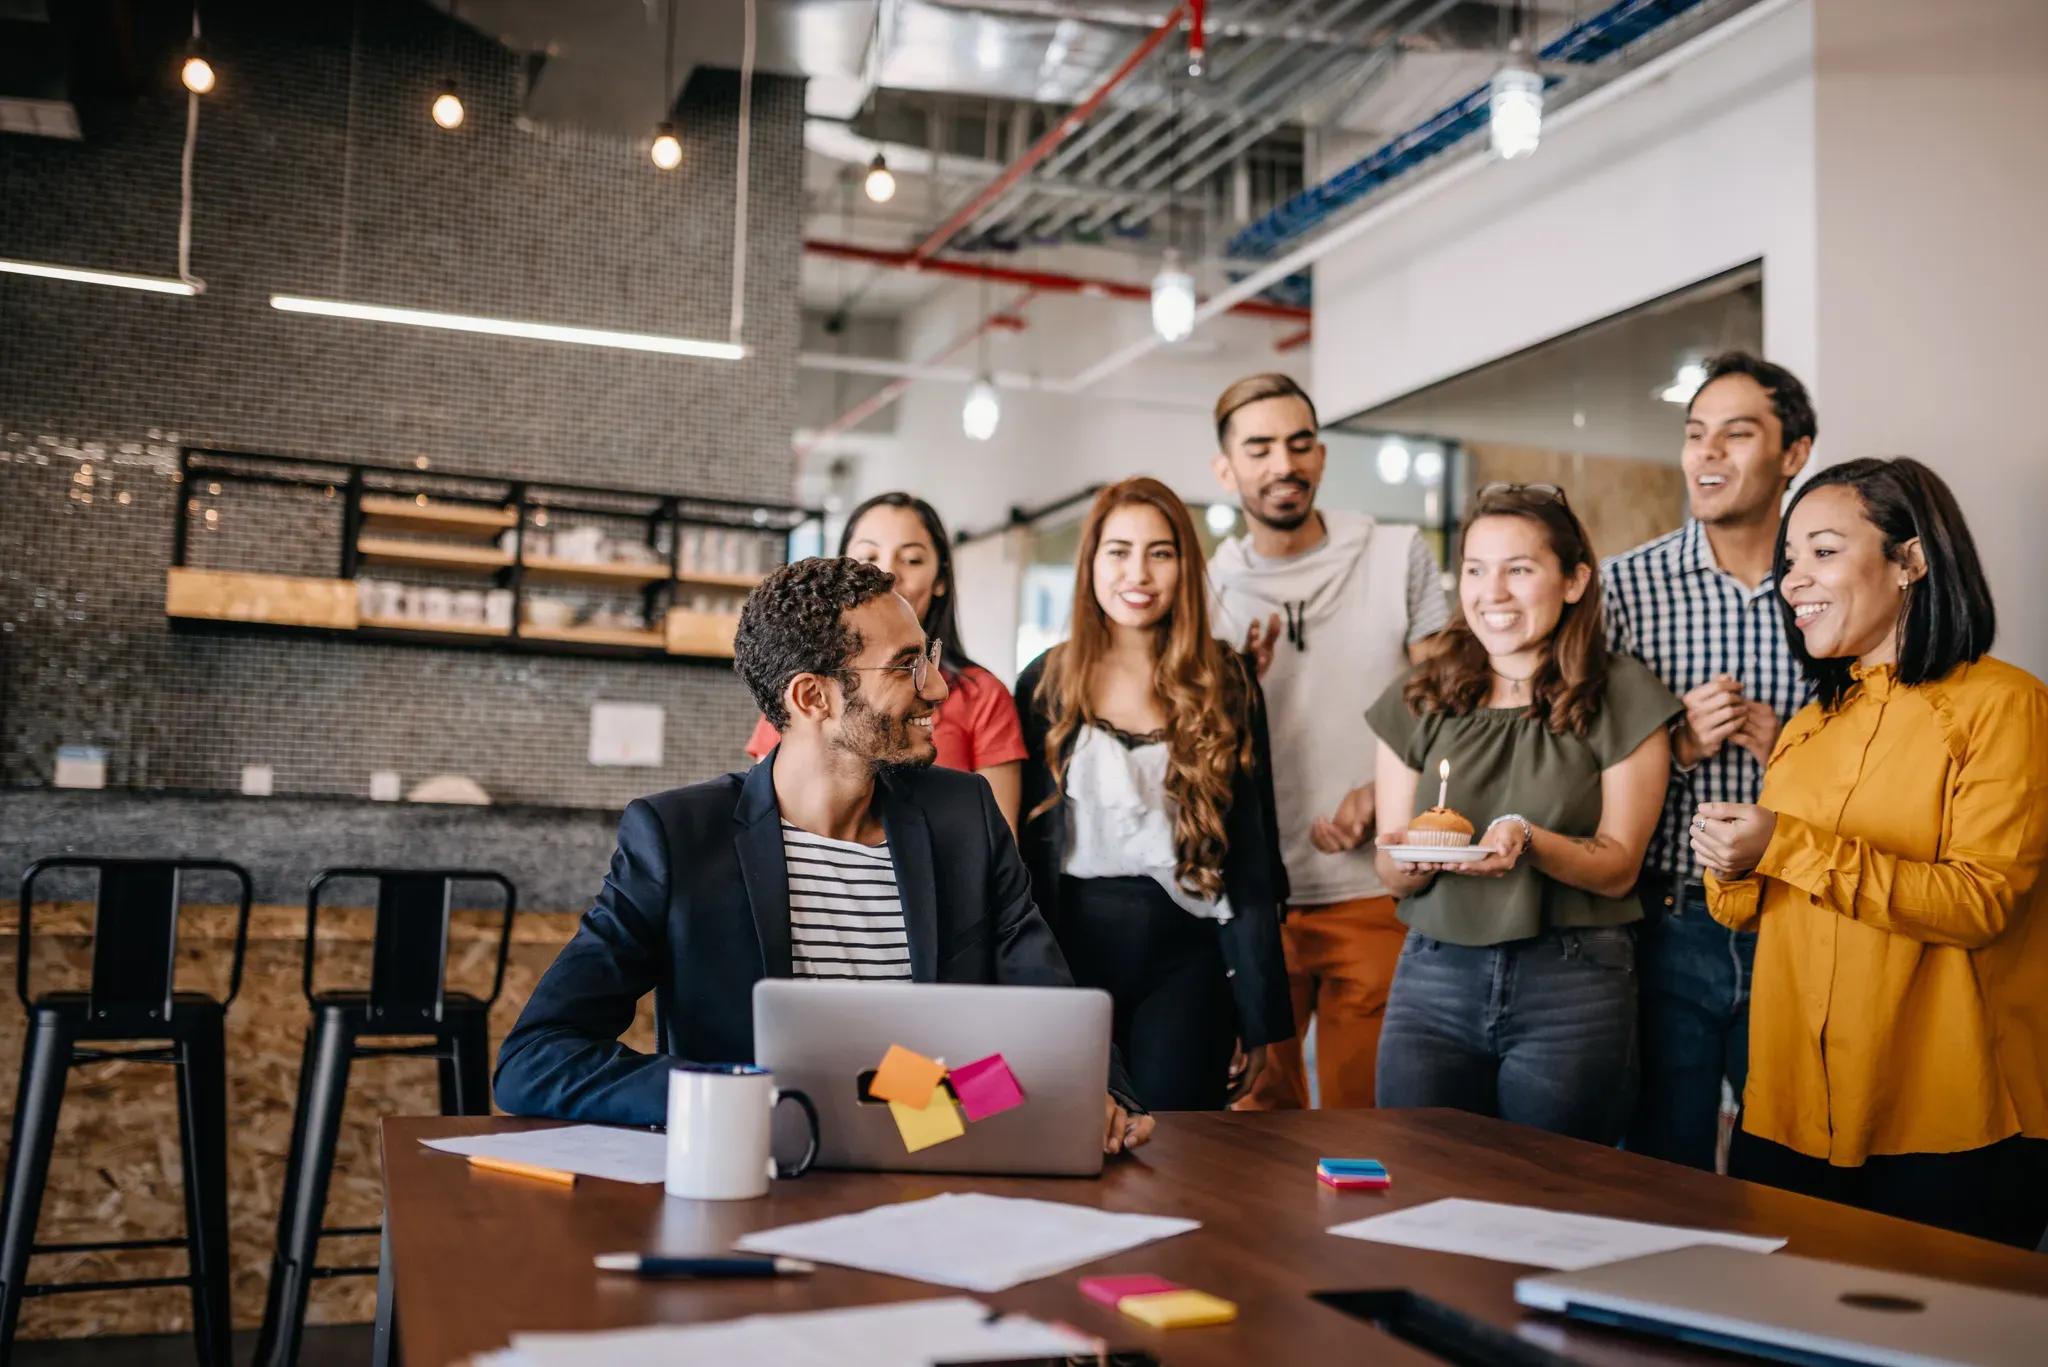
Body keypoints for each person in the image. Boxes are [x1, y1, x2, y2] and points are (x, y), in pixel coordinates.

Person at [496, 556, 1153, 1155]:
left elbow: (1056, 1017)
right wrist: (741, 1093)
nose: (936, 690)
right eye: (905, 666)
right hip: (761, 1170)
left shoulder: (964, 816)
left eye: (929, 657)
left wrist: (1102, 1094)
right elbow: (535, 1059)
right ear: (812, 697)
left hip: (943, 1152)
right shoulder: (679, 837)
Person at [1690, 458, 2048, 1248]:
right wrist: (1731, 860)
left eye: (1821, 551)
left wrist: (1786, 842)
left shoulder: (2006, 704)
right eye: (1789, 562)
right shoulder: (1810, 725)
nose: (1792, 581)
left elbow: (1981, 902)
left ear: (1911, 559)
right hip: (1782, 1116)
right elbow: (1748, 909)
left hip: (1949, 1124)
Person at [1368, 484, 1678, 1142]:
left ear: (1574, 580)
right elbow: (1390, 870)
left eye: (1520, 569)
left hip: (1572, 984)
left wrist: (1530, 841)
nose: (1492, 592)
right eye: (1477, 569)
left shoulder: (1624, 693)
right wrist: (1412, 860)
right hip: (1433, 976)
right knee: (1420, 1182)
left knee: (1554, 1198)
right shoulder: (1418, 696)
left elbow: (1620, 867)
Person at [1206, 373, 1450, 1112]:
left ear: (1319, 453)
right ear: (1227, 469)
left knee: (1366, 1126)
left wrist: (1388, 792)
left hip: (1375, 890)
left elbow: (1450, 704)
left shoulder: (1395, 550)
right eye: (1260, 447)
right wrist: (1232, 687)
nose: (1284, 463)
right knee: (1253, 1135)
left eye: (1299, 442)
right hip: (1253, 900)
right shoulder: (1208, 587)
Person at [1015, 477, 1292, 1111]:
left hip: (1188, 963)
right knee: (1076, 1143)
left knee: (1179, 1153)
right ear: (1091, 564)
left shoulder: (1227, 681)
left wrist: (1259, 1019)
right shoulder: (1045, 683)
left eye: (1159, 552)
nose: (1137, 572)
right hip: (1070, 956)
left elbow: (1252, 856)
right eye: (1118, 551)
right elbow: (1019, 856)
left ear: (1185, 565)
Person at [1602, 352, 1816, 1171]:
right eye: (1696, 435)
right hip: (1665, 919)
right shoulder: (1626, 589)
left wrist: (1788, 753)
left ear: (1793, 452)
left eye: (1737, 434)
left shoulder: (1826, 585)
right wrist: (1675, 749)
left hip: (1799, 912)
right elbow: (1580, 758)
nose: (1708, 455)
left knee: (1797, 1164)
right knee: (1658, 1166)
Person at [746, 492, 1026, 835]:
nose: (888, 573)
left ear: (941, 578)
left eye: (912, 559)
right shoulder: (803, 689)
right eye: (868, 557)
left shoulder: (982, 695)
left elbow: (997, 841)